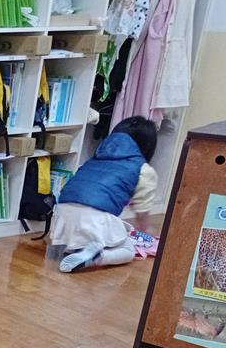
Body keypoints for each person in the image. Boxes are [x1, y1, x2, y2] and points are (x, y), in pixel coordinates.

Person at [52, 116, 158, 273]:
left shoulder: (95, 159)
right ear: (148, 146)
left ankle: (79, 251)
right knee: (128, 249)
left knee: (108, 230)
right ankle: (97, 257)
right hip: (94, 219)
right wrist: (145, 229)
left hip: (62, 215)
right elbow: (142, 209)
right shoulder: (143, 169)